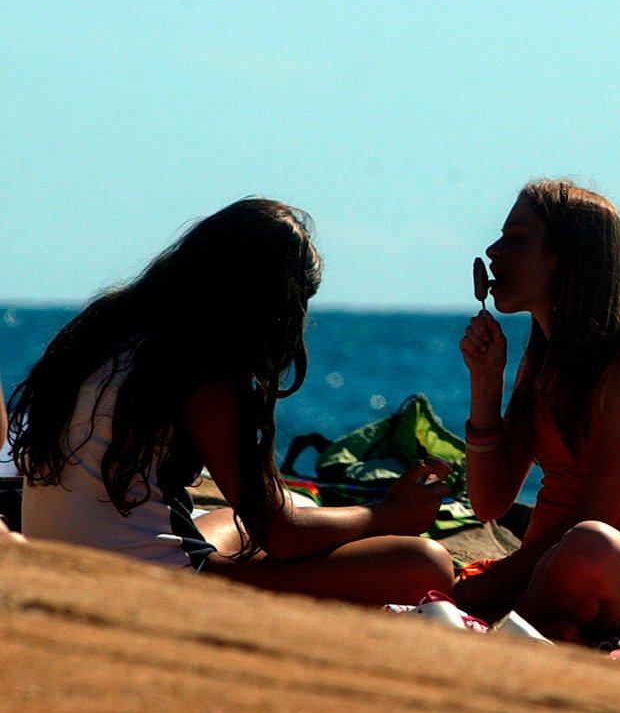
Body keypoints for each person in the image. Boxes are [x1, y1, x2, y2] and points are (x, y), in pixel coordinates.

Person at [6, 199, 455, 602]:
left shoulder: (110, 330)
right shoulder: (205, 375)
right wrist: (388, 513)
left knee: (252, 516)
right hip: (149, 584)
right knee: (426, 564)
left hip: (65, 559)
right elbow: (283, 536)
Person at [452, 179, 620, 641]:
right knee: (415, 560)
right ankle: (543, 625)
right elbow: (490, 502)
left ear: (565, 256)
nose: (493, 250)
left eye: (516, 237)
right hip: (539, 567)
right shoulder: (543, 358)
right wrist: (486, 382)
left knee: (588, 547)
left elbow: (592, 521)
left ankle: (509, 629)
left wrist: (475, 594)